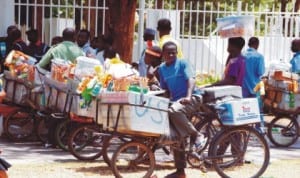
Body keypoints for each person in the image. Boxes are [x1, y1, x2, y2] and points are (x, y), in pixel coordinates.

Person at [158, 41, 206, 178]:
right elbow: (166, 90)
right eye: (169, 52)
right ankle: (180, 172)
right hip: (175, 101)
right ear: (163, 54)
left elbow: (191, 79)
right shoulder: (162, 69)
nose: (172, 55)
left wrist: (188, 96)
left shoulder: (183, 63)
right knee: (175, 137)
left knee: (173, 111)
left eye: (174, 52)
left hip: (192, 98)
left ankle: (196, 134)